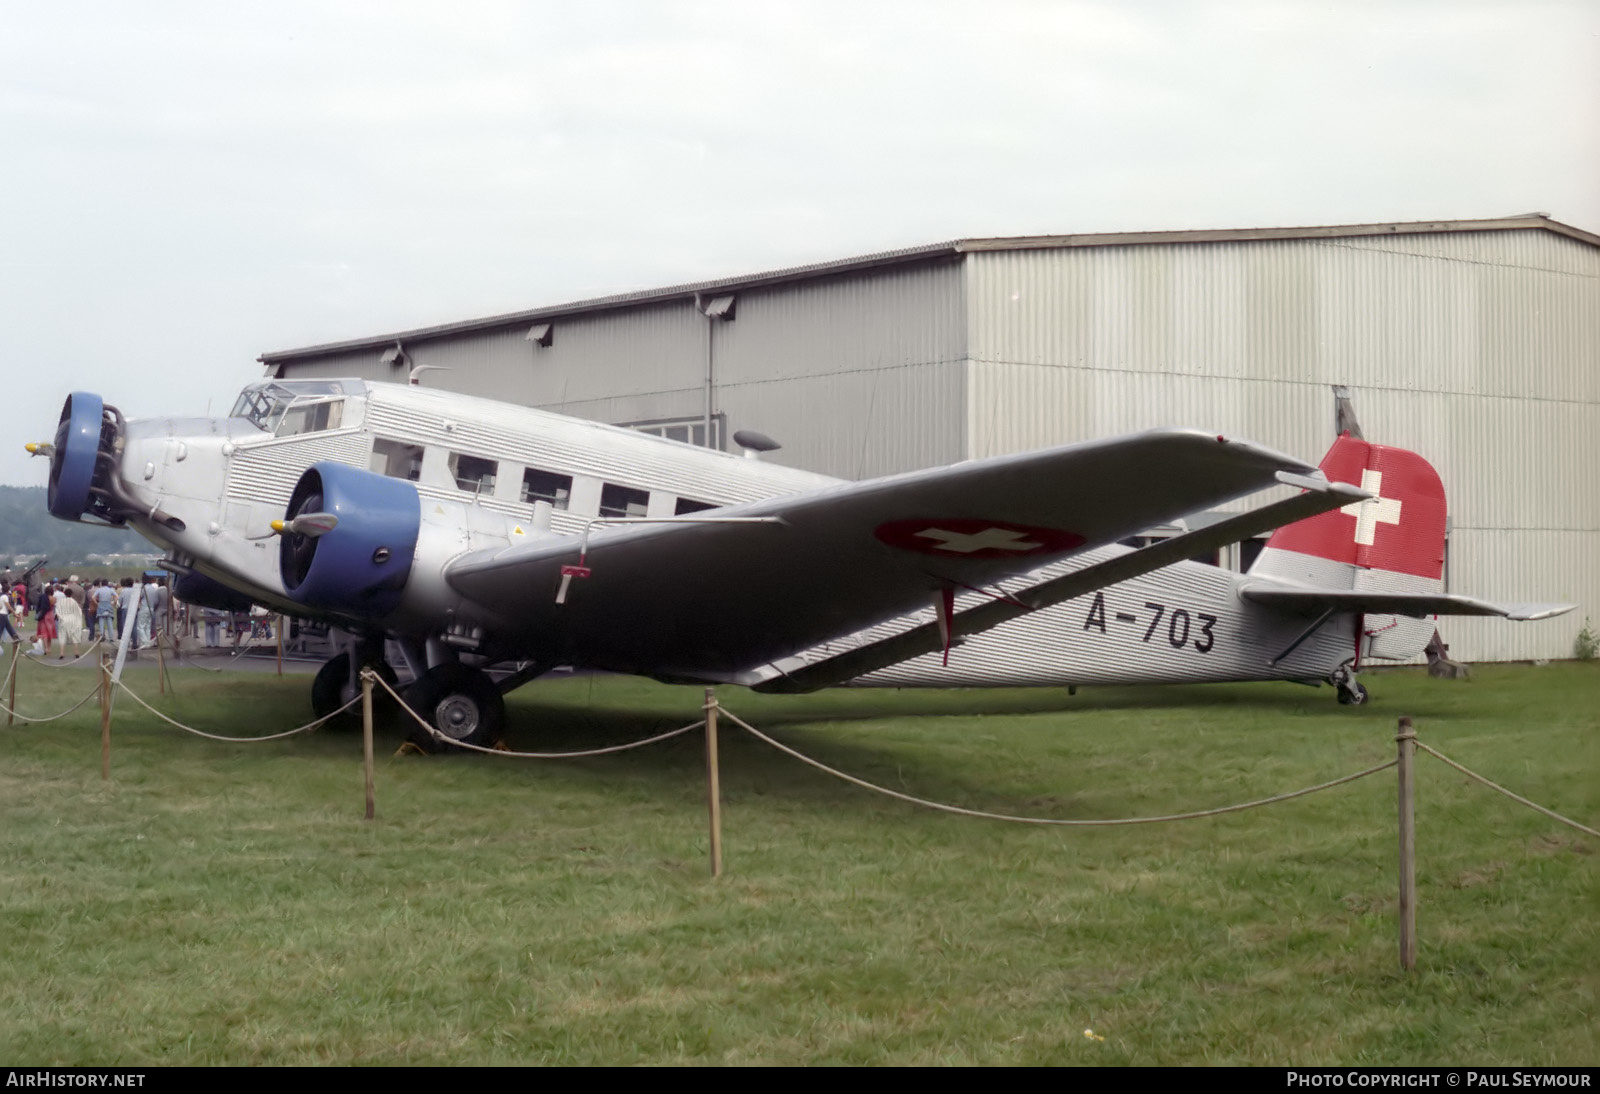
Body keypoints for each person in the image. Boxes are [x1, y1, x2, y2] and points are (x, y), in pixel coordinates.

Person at [52, 584, 86, 659]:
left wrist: (59, 617)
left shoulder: (61, 602)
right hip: (73, 620)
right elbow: (79, 612)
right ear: (72, 594)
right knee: (75, 636)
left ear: (64, 593)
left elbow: (57, 612)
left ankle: (61, 653)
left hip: (63, 620)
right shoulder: (74, 602)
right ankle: (76, 652)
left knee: (62, 636)